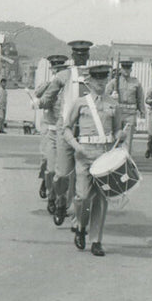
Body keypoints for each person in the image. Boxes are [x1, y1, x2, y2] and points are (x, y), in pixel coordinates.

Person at [60, 62, 129, 257]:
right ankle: (81, 226)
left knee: (100, 199)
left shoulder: (113, 104)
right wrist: (76, 146)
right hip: (84, 153)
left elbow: (117, 129)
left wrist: (120, 135)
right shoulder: (81, 103)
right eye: (97, 79)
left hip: (104, 154)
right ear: (89, 81)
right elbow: (66, 129)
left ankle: (96, 240)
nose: (101, 83)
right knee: (82, 197)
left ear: (107, 80)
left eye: (104, 78)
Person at [37, 40, 93, 224]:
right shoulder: (65, 75)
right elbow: (48, 97)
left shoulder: (94, 77)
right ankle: (60, 201)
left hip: (86, 128)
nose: (81, 58)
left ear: (88, 56)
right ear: (72, 56)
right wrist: (42, 102)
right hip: (65, 127)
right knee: (62, 173)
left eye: (84, 54)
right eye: (77, 55)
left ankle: (78, 217)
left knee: (85, 176)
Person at [34, 54, 68, 201]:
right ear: (52, 69)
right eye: (55, 68)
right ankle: (45, 180)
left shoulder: (68, 86)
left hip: (60, 127)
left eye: (60, 68)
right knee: (45, 159)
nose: (57, 71)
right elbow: (38, 96)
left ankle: (52, 195)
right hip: (48, 125)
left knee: (58, 166)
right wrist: (49, 85)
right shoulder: (49, 84)